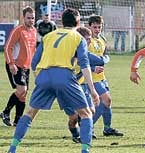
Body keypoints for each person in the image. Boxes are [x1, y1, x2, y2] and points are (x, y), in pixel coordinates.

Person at [7, 8, 99, 153]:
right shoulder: (78, 38)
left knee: (29, 113)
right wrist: (93, 91)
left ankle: (12, 148)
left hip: (44, 75)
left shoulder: (48, 36)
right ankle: (85, 150)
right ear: (78, 22)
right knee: (86, 113)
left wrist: (40, 78)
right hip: (64, 76)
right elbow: (84, 64)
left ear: (62, 22)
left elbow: (34, 62)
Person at [65, 26, 109, 143]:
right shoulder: (76, 50)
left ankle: (85, 133)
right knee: (73, 117)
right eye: (87, 39)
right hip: (69, 87)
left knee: (91, 111)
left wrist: (93, 68)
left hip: (82, 85)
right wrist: (105, 59)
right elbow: (98, 60)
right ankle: (76, 133)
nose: (89, 41)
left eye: (90, 39)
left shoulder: (83, 50)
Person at [88, 15, 123, 138]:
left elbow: (105, 55)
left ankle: (107, 128)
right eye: (94, 27)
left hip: (102, 77)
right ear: (89, 27)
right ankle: (88, 127)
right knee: (105, 100)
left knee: (108, 103)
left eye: (99, 27)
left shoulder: (102, 39)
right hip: (90, 77)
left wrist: (105, 60)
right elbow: (81, 59)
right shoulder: (87, 41)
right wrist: (93, 68)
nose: (97, 29)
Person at [1, 6, 37, 127]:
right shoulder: (18, 30)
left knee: (23, 95)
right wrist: (11, 63)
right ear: (23, 18)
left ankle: (17, 121)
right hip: (16, 65)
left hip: (26, 67)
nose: (31, 20)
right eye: (28, 18)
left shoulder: (34, 31)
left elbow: (33, 50)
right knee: (22, 90)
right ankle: (6, 112)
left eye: (33, 18)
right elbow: (7, 47)